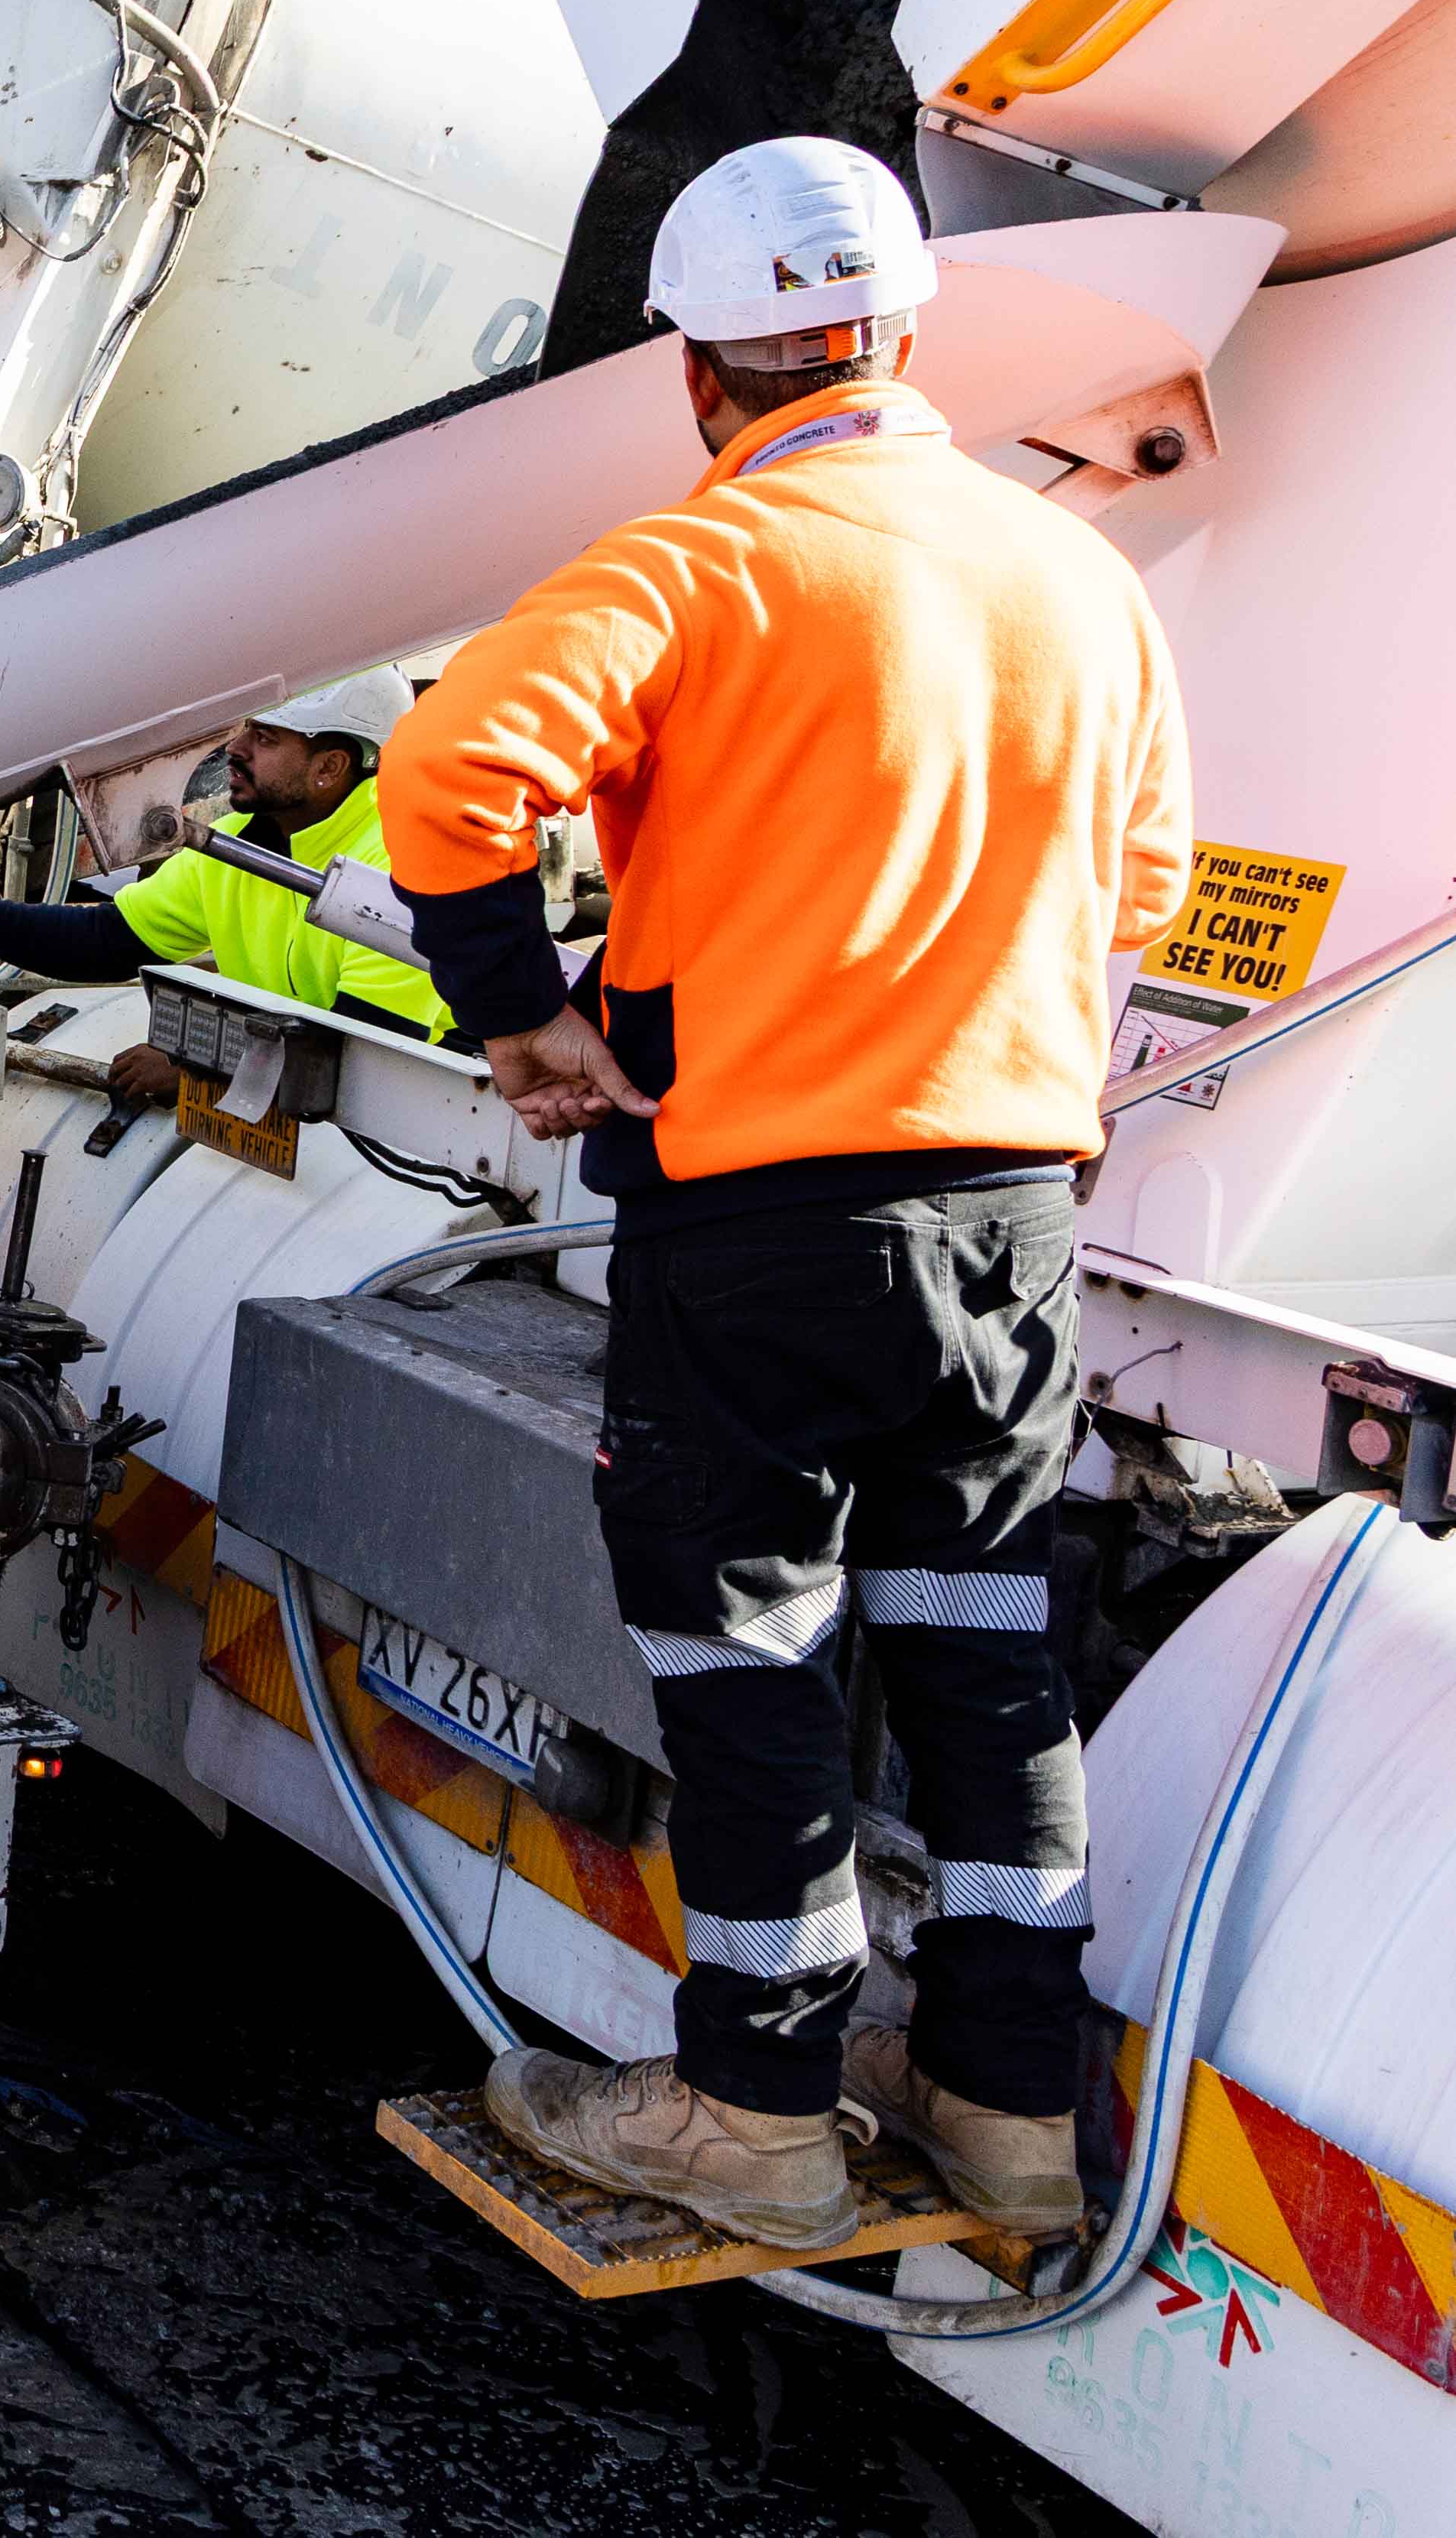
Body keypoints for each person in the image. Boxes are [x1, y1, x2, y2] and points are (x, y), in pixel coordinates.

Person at [381, 136, 1193, 2251]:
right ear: (903, 336)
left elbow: (449, 772)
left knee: (746, 1662)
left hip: (758, 1218)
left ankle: (756, 2103)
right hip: (1009, 1218)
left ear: (698, 371)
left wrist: (522, 1015)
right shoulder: (1079, 578)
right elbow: (1149, 889)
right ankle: (1004, 2097)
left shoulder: (704, 559)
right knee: (982, 1660)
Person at [0, 670, 456, 1105]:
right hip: (319, 1123)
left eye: (267, 738)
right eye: (246, 727)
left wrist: (198, 1074)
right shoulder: (235, 843)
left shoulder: (409, 865)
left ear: (330, 767)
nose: (236, 747)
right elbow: (105, 939)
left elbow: (364, 1053)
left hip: (430, 1131)